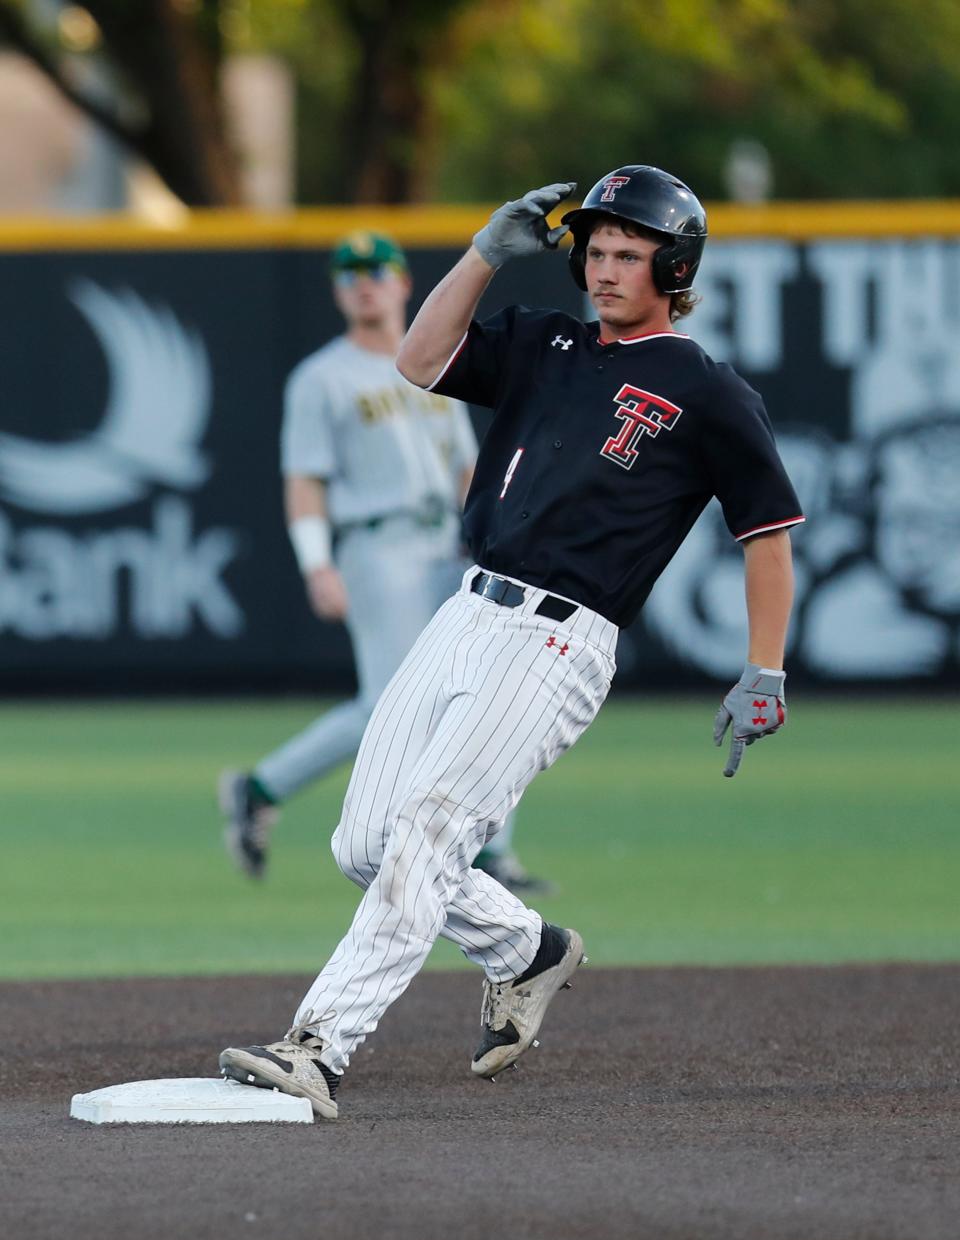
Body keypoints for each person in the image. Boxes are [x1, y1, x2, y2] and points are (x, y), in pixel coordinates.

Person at [218, 167, 805, 1121]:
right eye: (596, 251)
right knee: (362, 841)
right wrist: (488, 254)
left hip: (561, 642)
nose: (605, 269)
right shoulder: (547, 342)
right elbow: (415, 361)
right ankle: (526, 950)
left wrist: (764, 667)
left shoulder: (707, 390)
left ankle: (318, 1048)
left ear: (677, 265)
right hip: (464, 613)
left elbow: (767, 536)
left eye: (628, 254)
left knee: (430, 835)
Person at [218, 230, 550, 895]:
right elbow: (304, 478)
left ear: (403, 283)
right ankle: (259, 788)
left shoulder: (431, 359)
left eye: (377, 269)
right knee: (389, 707)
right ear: (339, 291)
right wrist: (317, 563)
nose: (364, 281)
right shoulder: (323, 376)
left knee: (482, 692)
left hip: (450, 544)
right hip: (378, 544)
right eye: (349, 273)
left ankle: (490, 852)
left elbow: (464, 465)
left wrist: (491, 537)